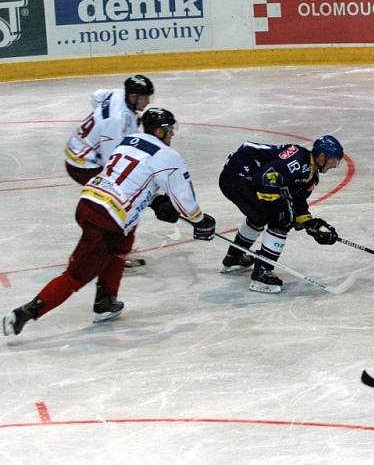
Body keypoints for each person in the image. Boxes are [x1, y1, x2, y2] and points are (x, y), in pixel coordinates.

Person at [2, 108, 216, 337]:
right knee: (76, 275)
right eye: (170, 129)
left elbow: (128, 179)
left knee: (123, 241)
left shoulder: (128, 141)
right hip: (106, 217)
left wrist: (155, 202)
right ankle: (24, 313)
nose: (172, 134)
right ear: (159, 130)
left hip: (90, 202)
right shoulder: (169, 156)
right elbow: (185, 202)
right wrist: (200, 221)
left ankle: (106, 301)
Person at [218, 135, 343, 293]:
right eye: (333, 160)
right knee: (282, 218)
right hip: (237, 176)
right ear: (322, 156)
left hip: (246, 180)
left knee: (263, 216)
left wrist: (315, 226)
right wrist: (283, 209)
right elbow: (264, 178)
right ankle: (262, 273)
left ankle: (234, 258)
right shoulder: (298, 158)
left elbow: (298, 204)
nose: (335, 165)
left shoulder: (311, 176)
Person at [64, 74, 154, 185]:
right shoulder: (117, 122)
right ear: (132, 97)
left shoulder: (117, 93)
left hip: (76, 147)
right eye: (144, 98)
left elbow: (95, 96)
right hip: (81, 165)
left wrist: (101, 120)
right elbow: (111, 161)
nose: (148, 102)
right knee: (121, 188)